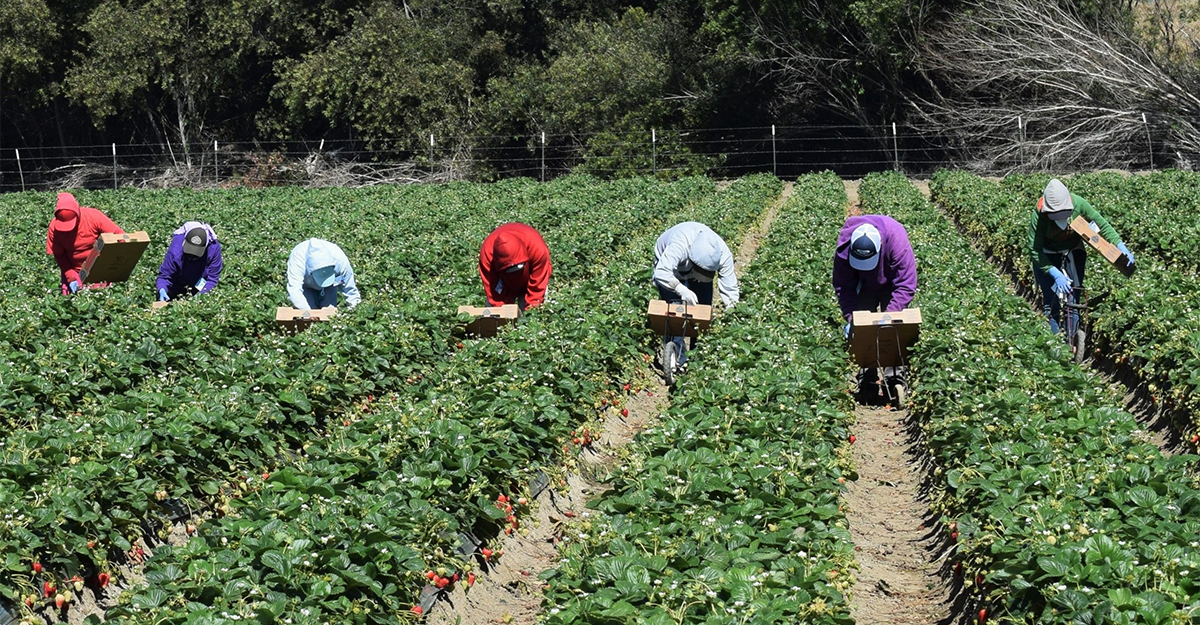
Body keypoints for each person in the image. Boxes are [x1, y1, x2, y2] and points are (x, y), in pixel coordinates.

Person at [1030, 178, 1135, 333]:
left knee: (1073, 301)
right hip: (1047, 254)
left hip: (1073, 251)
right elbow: (1035, 250)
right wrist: (1055, 273)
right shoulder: (1039, 215)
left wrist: (1120, 246)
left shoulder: (1079, 204)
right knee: (1050, 302)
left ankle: (1070, 339)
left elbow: (1102, 225)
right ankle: (1054, 339)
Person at [832, 215, 917, 334]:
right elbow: (843, 286)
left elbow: (905, 286)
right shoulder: (844, 249)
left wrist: (888, 318)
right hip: (863, 283)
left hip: (890, 281)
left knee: (892, 329)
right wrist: (851, 318)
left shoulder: (898, 244)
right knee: (862, 327)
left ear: (880, 246)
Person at [46, 192, 125, 295]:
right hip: (73, 269)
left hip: (99, 267)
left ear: (78, 215)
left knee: (101, 297)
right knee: (73, 300)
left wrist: (116, 265)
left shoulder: (93, 217)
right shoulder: (54, 228)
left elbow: (119, 235)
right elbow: (60, 255)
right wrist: (70, 277)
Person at [652, 221, 738, 309]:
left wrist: (732, 309)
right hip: (669, 264)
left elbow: (730, 288)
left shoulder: (723, 255)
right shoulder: (679, 245)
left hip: (688, 263)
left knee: (703, 308)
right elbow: (662, 272)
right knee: (674, 308)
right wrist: (681, 289)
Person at [479, 223, 552, 310]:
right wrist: (502, 311)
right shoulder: (487, 255)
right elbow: (493, 290)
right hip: (503, 282)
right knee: (495, 312)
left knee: (534, 308)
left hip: (529, 277)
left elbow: (538, 285)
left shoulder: (537, 248)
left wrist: (532, 310)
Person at [286, 238, 360, 310]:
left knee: (329, 312)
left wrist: (353, 310)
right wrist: (308, 313)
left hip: (330, 286)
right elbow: (294, 290)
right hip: (306, 284)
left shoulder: (340, 262)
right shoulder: (297, 261)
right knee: (308, 310)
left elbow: (350, 291)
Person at [156, 221, 223, 301]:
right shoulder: (175, 251)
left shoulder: (213, 249)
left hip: (199, 284)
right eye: (188, 254)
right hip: (177, 283)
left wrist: (199, 297)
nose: (192, 258)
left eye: (195, 255)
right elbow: (165, 275)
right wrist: (162, 289)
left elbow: (212, 278)